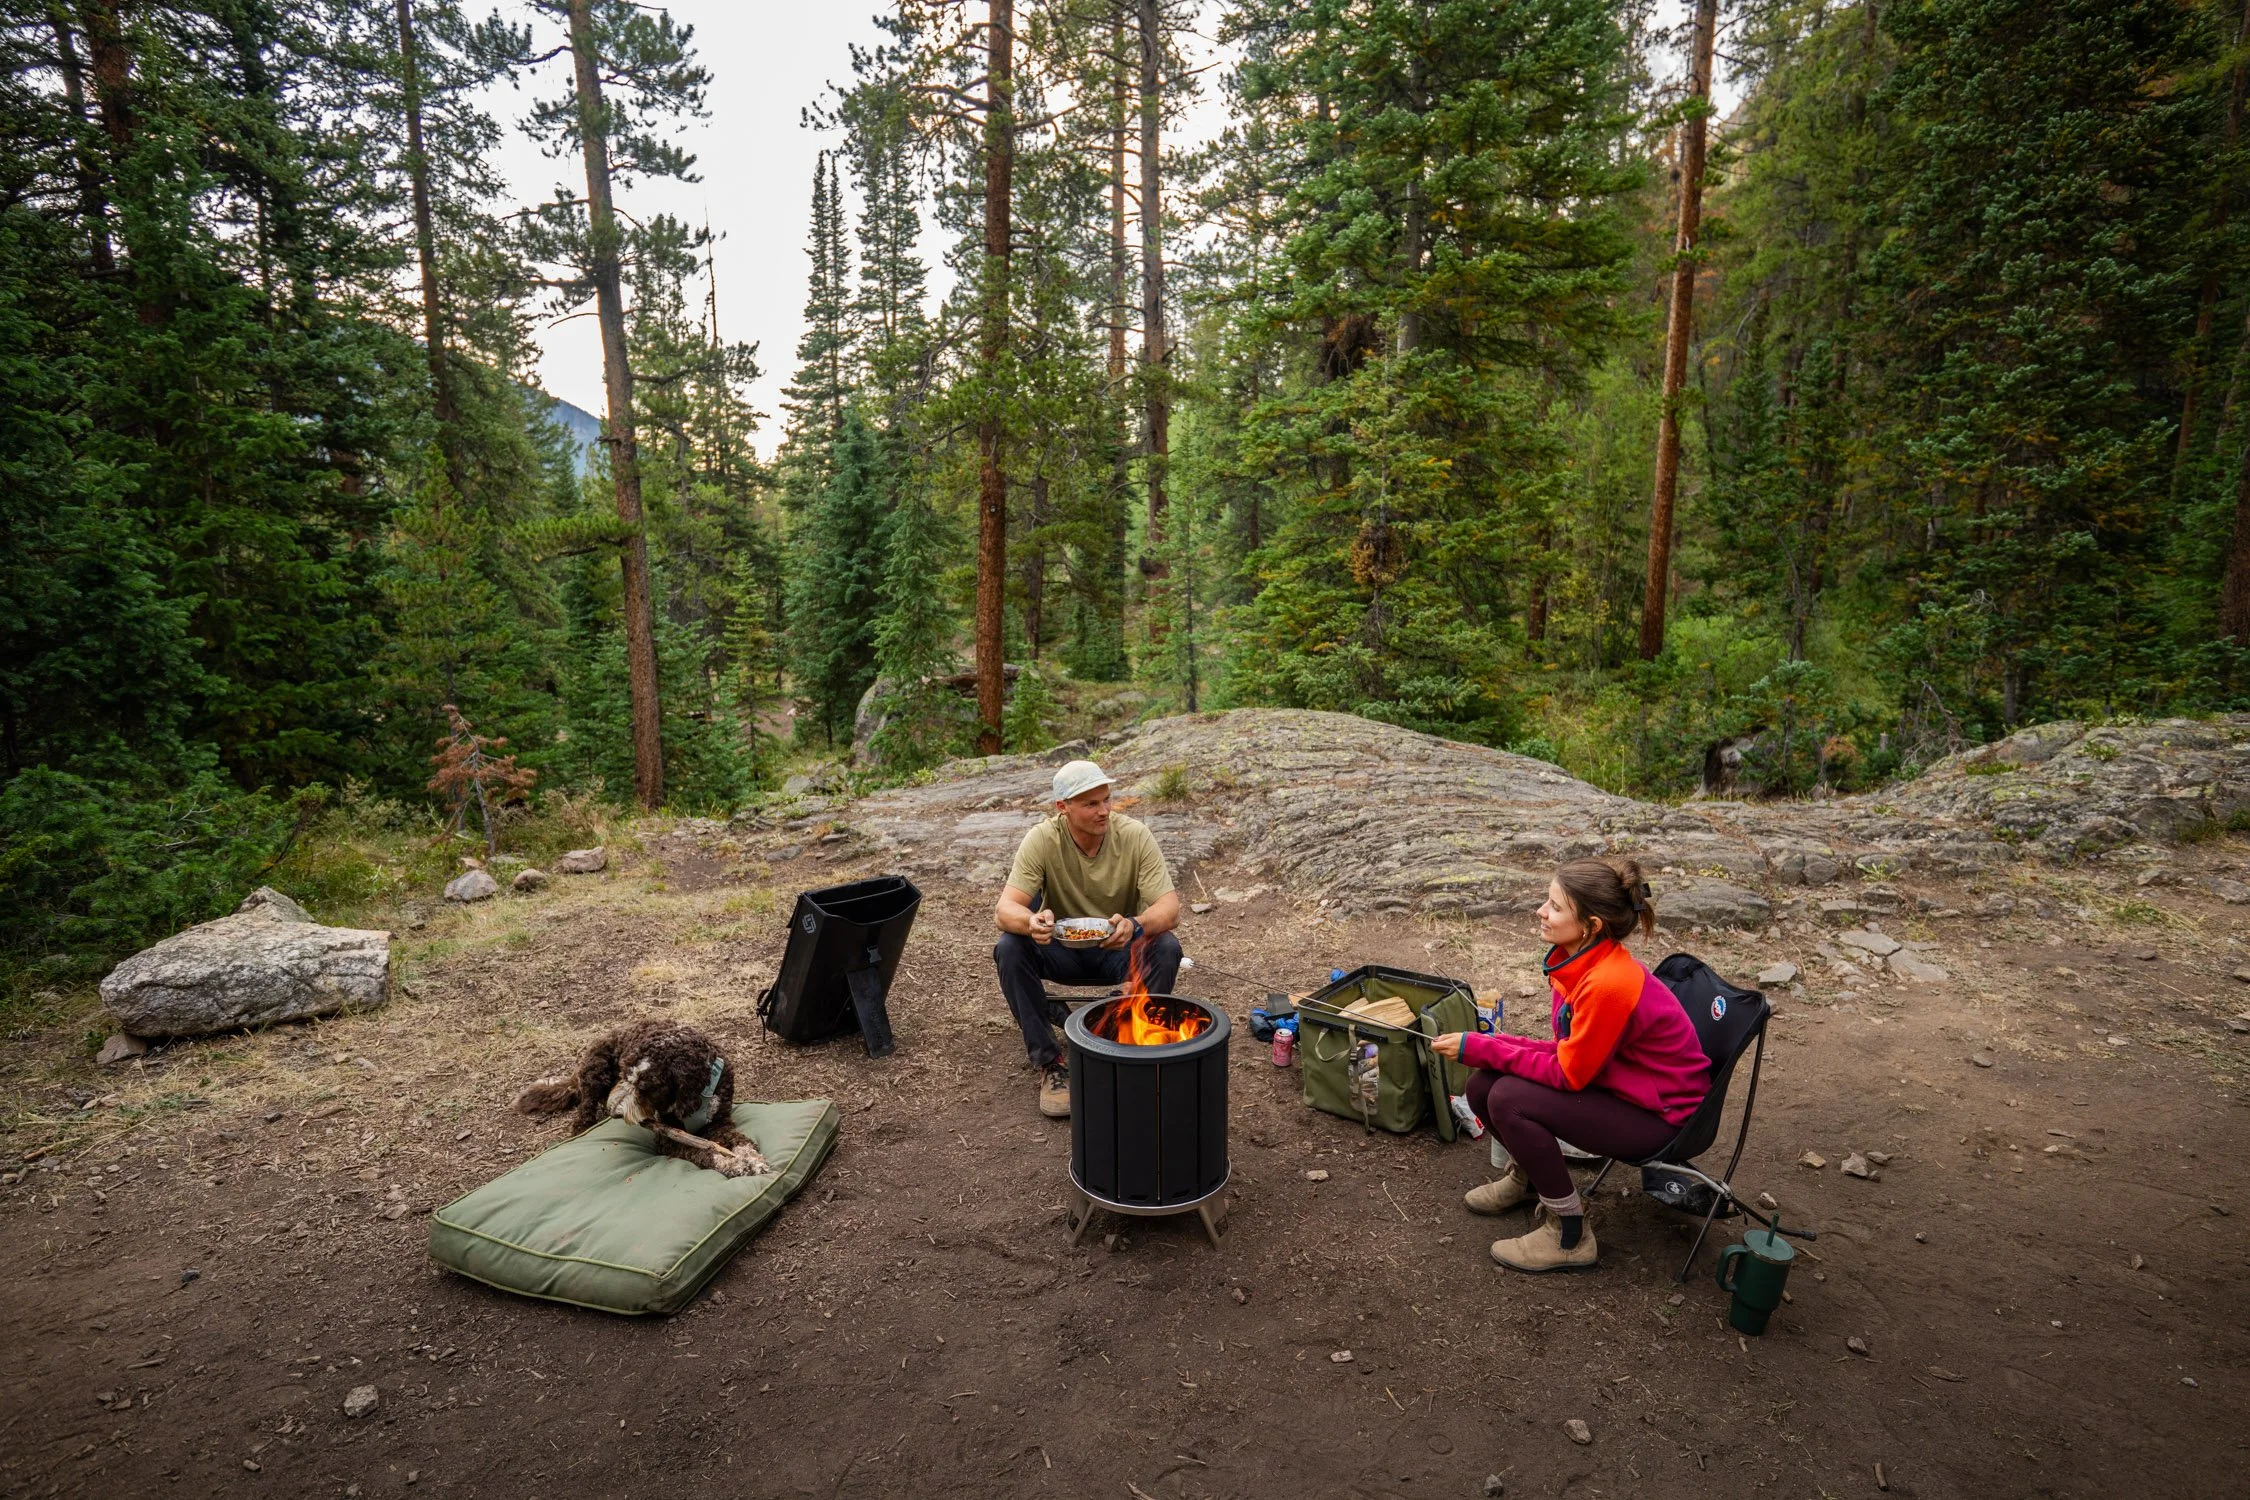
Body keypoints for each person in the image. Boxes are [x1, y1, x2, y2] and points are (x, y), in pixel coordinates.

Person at [1431, 856, 1709, 1273]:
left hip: (1662, 1117)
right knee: (1482, 1087)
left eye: (1556, 906)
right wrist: (1486, 1045)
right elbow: (1566, 1050)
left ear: (1592, 926)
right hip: (1622, 1088)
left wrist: (1484, 1047)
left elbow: (1569, 1073)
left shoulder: (1609, 983)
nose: (1541, 911)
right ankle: (1529, 1181)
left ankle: (1569, 1233)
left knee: (1508, 1098)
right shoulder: (1578, 962)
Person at [993, 759, 1183, 1118]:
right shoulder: (1043, 839)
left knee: (1167, 947)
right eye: (1091, 804)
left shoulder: (1134, 836)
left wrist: (1136, 924)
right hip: (1060, 949)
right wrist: (1033, 921)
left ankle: (1130, 1044)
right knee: (1009, 946)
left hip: (1116, 951)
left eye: (1107, 800)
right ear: (1063, 808)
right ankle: (1051, 1063)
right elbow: (1005, 910)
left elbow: (1170, 909)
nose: (1105, 811)